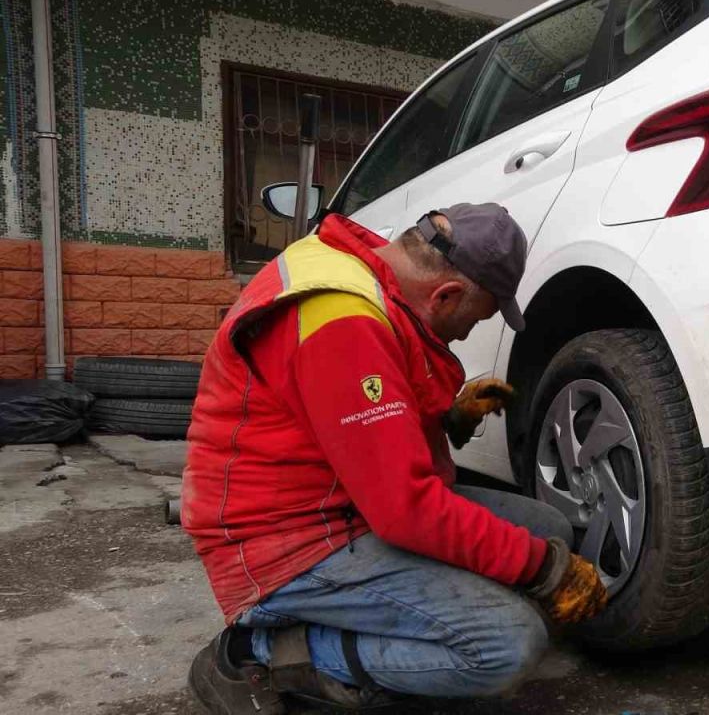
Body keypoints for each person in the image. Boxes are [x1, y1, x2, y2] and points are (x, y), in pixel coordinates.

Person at [181, 203, 607, 714]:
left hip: (342, 504)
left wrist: (446, 418)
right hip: (284, 542)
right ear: (446, 293)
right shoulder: (341, 322)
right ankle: (263, 652)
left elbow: (348, 424)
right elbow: (407, 510)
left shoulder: (363, 269)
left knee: (546, 525)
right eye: (475, 319)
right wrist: (541, 571)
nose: (468, 334)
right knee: (508, 643)